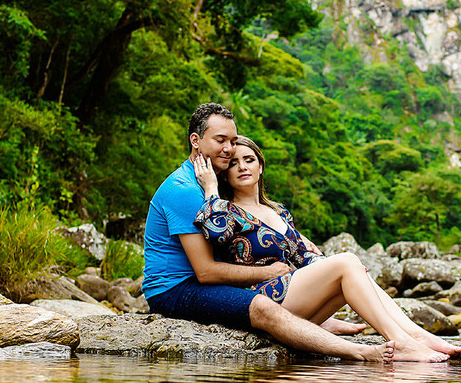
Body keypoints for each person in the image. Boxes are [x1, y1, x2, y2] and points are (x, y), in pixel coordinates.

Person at [142, 103, 394, 362]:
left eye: (232, 140)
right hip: (174, 290)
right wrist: (268, 272)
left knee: (335, 278)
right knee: (263, 305)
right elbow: (205, 272)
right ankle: (357, 351)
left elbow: (237, 234)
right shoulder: (184, 189)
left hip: (202, 281)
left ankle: (318, 325)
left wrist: (295, 239)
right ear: (195, 140)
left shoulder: (210, 184)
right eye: (220, 140)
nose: (229, 149)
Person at [191, 136, 461, 362]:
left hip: (295, 303)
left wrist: (346, 269)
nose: (241, 167)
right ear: (225, 175)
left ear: (261, 166)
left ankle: (415, 334)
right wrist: (211, 189)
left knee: (354, 267)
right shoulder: (225, 209)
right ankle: (403, 342)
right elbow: (215, 234)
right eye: (234, 164)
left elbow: (305, 257)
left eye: (249, 160)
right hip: (261, 301)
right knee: (347, 262)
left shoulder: (278, 211)